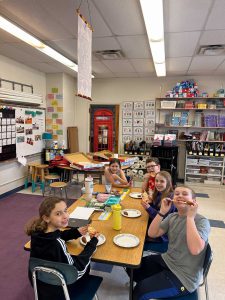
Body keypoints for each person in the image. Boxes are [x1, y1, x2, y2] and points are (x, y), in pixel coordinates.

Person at [131, 186, 211, 300]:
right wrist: (162, 212)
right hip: (168, 260)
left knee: (140, 291)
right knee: (133, 269)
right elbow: (152, 233)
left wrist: (190, 217)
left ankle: (150, 288)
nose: (180, 196)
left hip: (184, 277)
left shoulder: (202, 222)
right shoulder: (172, 216)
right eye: (177, 193)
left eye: (184, 194)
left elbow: (195, 249)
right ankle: (154, 285)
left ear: (194, 201)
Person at [26, 197, 99, 299]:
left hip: (40, 285)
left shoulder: (37, 233)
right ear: (46, 218)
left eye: (65, 211)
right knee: (85, 265)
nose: (65, 216)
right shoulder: (57, 243)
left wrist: (76, 232)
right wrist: (92, 244)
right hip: (61, 290)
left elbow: (58, 234)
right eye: (58, 214)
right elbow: (77, 270)